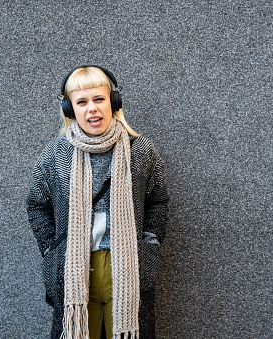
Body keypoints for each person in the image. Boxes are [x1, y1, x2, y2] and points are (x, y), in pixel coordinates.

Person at [27, 65, 169, 339]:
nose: (92, 108)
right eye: (82, 102)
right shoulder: (56, 153)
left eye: (99, 99)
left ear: (113, 102)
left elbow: (158, 200)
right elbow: (36, 204)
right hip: (75, 269)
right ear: (70, 109)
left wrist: (150, 244)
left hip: (127, 268)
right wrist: (52, 249)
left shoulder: (140, 149)